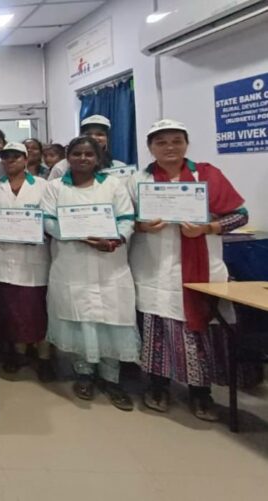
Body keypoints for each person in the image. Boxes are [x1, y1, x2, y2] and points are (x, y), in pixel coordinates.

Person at [128, 119, 249, 421]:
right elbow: (125, 219)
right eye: (161, 142)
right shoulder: (138, 179)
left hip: (200, 267)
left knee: (201, 332)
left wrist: (207, 228)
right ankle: (158, 386)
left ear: (186, 144)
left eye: (176, 141)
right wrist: (141, 226)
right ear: (150, 147)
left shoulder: (207, 175)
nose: (169, 147)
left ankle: (200, 392)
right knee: (156, 328)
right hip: (154, 267)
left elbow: (240, 215)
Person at [40, 136, 139, 411]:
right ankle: (83, 373)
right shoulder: (55, 187)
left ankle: (112, 378)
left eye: (88, 154)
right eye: (77, 154)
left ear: (97, 158)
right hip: (72, 261)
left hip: (110, 264)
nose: (82, 158)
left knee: (112, 319)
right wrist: (81, 236)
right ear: (68, 157)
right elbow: (47, 220)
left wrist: (116, 238)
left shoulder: (113, 185)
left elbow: (126, 218)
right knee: (79, 317)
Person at [0, 143, 53, 380]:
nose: (10, 161)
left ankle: (44, 357)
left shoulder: (43, 186)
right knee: (11, 310)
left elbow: (51, 218)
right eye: (6, 157)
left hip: (35, 259)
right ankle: (18, 353)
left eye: (15, 156)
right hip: (4, 258)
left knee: (38, 310)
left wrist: (41, 229)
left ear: (25, 158)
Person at [48, 115, 126, 180]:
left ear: (107, 139)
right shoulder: (62, 167)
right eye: (88, 134)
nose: (94, 138)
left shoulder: (120, 167)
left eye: (99, 134)